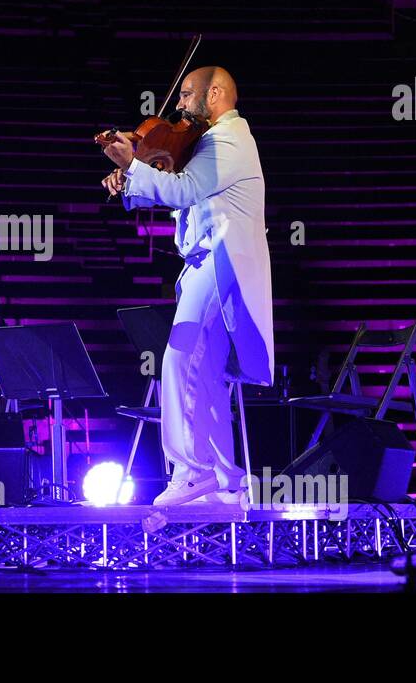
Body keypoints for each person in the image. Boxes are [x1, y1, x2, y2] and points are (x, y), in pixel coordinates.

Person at [101, 66, 274, 506]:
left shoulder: (230, 139)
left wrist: (134, 166)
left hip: (222, 259)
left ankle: (191, 469)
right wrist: (128, 182)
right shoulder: (209, 141)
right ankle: (225, 477)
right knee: (207, 374)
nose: (178, 105)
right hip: (205, 262)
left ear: (215, 93)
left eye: (186, 95)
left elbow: (183, 191)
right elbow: (174, 185)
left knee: (181, 357)